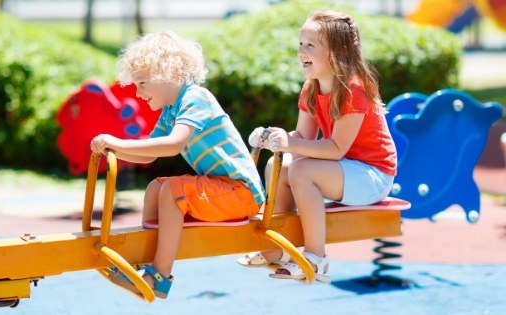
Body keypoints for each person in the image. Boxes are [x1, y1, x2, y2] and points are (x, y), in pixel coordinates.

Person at [90, 30, 266, 298]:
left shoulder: (196, 98)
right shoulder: (171, 110)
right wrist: (112, 147)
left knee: (173, 191)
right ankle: (143, 263)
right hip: (224, 188)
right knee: (154, 189)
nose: (137, 93)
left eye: (142, 83)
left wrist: (118, 143)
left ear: (167, 73)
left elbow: (172, 144)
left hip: (242, 193)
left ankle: (158, 277)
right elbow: (149, 155)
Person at [237, 10, 397, 283]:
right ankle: (279, 248)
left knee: (302, 171)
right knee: (281, 164)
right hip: (343, 169)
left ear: (337, 52)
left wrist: (290, 142)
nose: (302, 51)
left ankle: (316, 258)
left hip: (373, 174)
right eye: (301, 43)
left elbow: (336, 149)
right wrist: (274, 137)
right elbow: (302, 136)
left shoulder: (353, 90)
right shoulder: (311, 87)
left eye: (311, 45)